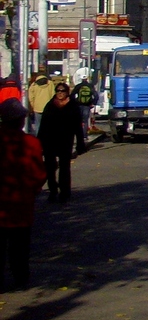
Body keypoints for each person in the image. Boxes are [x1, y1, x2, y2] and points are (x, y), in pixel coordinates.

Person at [0, 99, 46, 291]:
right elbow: (39, 174)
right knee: (20, 245)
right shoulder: (31, 143)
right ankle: (20, 276)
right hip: (21, 204)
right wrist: (32, 190)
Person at [36, 82, 86, 204]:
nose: (60, 93)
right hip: (49, 140)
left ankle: (65, 192)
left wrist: (80, 143)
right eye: (58, 91)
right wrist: (39, 142)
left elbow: (78, 127)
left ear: (67, 92)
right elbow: (43, 125)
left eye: (62, 91)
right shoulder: (50, 105)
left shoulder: (73, 106)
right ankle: (53, 190)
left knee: (64, 167)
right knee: (50, 167)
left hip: (65, 140)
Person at [70, 74, 97, 139]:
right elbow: (96, 96)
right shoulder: (90, 86)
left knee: (78, 121)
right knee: (85, 121)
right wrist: (93, 103)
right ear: (87, 79)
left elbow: (72, 95)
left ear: (81, 79)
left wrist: (75, 102)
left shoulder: (78, 86)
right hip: (87, 105)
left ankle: (78, 135)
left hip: (78, 105)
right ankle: (84, 135)